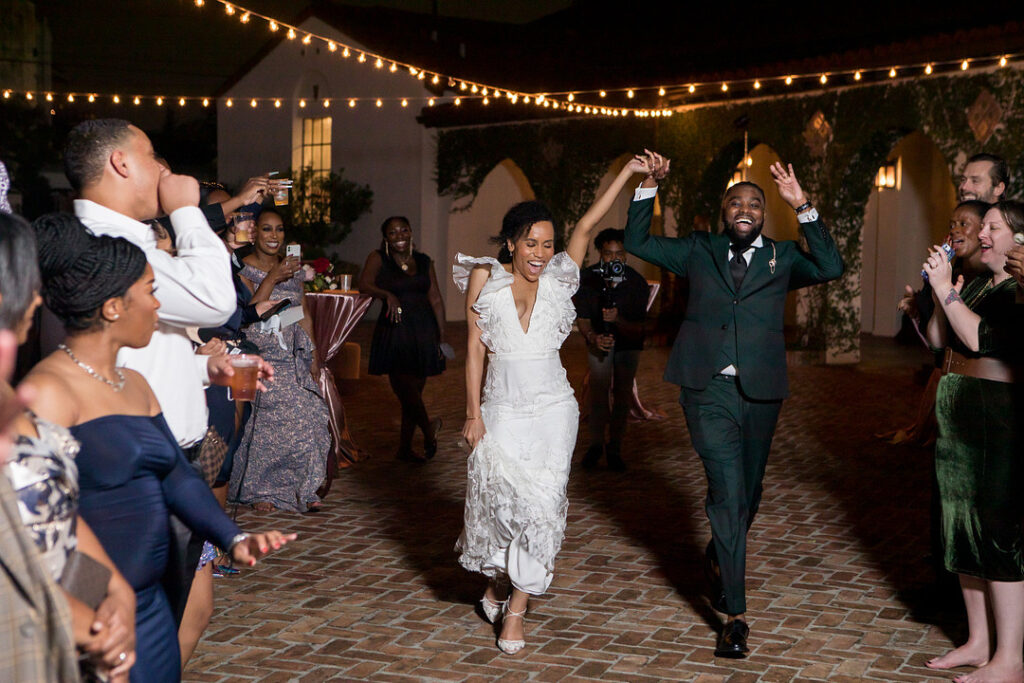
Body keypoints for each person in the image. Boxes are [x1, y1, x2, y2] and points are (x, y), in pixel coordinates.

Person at [26, 212, 295, 683]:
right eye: (150, 293)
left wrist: (232, 537)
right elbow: (40, 527)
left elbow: (177, 475)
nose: (158, 306)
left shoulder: (136, 384)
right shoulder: (48, 393)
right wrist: (97, 604)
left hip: (150, 603)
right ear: (113, 307)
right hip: (97, 609)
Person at [624, 159, 844, 658]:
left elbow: (831, 266)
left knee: (748, 493)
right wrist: (650, 185)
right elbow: (638, 242)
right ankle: (736, 616)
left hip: (762, 391)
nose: (744, 209)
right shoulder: (700, 249)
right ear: (722, 212)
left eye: (754, 204)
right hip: (707, 389)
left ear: (765, 214)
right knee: (726, 491)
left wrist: (803, 205)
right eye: (735, 202)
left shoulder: (784, 257)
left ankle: (721, 553)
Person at [454, 153, 661, 655]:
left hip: (553, 408)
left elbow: (589, 221)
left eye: (548, 244)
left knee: (543, 506)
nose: (541, 253)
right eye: (531, 243)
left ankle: (517, 612)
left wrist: (630, 175)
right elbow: (475, 351)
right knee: (502, 504)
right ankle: (498, 583)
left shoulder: (562, 277)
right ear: (511, 243)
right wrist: (473, 413)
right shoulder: (486, 278)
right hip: (502, 407)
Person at [64, 119, 244, 626]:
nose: (165, 170)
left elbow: (135, 348)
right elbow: (214, 301)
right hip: (134, 466)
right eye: (153, 157)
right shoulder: (108, 246)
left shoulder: (125, 240)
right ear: (121, 163)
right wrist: (188, 209)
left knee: (191, 611)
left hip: (170, 457)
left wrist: (203, 368)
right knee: (145, 620)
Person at [0, 211, 138, 680]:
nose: (37, 298)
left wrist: (115, 592)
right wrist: (92, 628)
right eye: (28, 283)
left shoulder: (12, 395)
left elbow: (54, 514)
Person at [922, 200, 1024, 683]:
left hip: (997, 419)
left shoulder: (1019, 292)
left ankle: (1010, 659)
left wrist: (947, 290)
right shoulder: (980, 283)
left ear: (1018, 238)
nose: (982, 233)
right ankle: (979, 640)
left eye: (993, 227)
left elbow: (981, 340)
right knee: (961, 526)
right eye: (982, 225)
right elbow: (940, 340)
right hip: (959, 415)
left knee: (998, 534)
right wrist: (943, 294)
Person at [230, 208, 330, 513]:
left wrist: (313, 355)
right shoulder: (244, 269)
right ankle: (261, 488)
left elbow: (304, 315)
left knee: (310, 411)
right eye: (267, 229)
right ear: (255, 233)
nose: (274, 236)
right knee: (269, 419)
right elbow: (250, 311)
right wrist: (274, 277)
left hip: (294, 352)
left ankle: (304, 485)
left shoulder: (295, 270)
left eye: (279, 230)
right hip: (262, 349)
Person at [359, 216, 447, 461]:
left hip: (423, 329)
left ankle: (404, 450)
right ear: (385, 237)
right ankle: (428, 428)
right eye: (393, 232)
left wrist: (442, 336)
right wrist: (386, 294)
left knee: (414, 391)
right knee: (404, 386)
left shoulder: (424, 261)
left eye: (403, 230)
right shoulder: (378, 258)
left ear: (410, 232)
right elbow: (364, 284)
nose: (399, 236)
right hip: (395, 330)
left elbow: (436, 299)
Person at [575, 227, 650, 471]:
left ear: (626, 254)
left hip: (628, 345)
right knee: (597, 394)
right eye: (609, 254)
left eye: (619, 254)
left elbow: (639, 328)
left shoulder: (636, 283)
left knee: (622, 394)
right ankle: (596, 445)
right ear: (600, 253)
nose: (614, 259)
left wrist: (618, 319)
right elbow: (583, 317)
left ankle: (615, 447)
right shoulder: (588, 278)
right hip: (598, 341)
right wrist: (592, 336)